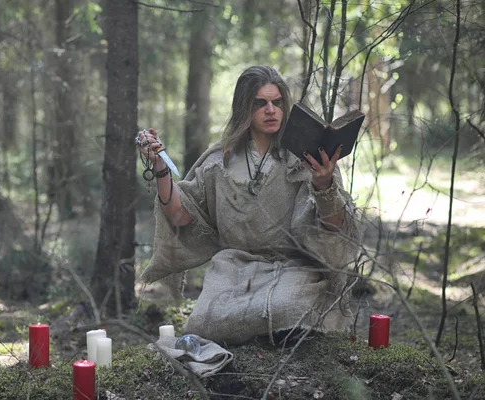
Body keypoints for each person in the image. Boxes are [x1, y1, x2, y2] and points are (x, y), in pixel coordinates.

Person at [136, 65, 361, 346]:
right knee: (205, 321)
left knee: (285, 308)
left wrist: (324, 185)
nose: (271, 110)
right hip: (234, 269)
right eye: (261, 103)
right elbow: (181, 217)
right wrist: (160, 167)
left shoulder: (305, 160)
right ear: (245, 107)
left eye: (277, 102)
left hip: (294, 268)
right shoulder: (219, 162)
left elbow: (333, 231)